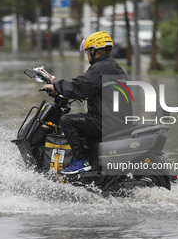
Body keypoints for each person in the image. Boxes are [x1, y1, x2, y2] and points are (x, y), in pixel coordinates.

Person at [41, 31, 129, 174]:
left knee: (68, 120)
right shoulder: (112, 66)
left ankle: (80, 161)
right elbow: (100, 89)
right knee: (81, 123)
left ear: (94, 50)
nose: (87, 54)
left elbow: (81, 84)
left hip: (106, 120)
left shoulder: (100, 68)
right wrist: (88, 96)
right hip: (115, 119)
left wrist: (56, 86)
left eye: (88, 51)